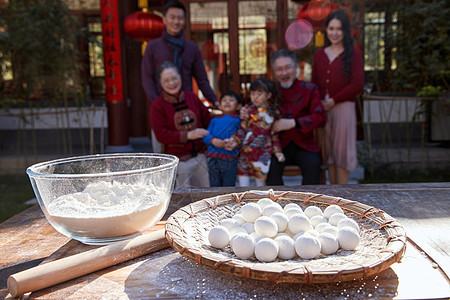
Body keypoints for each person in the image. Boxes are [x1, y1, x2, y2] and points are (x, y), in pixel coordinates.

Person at [141, 0, 217, 152]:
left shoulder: (192, 48)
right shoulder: (153, 47)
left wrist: (214, 100)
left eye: (180, 18)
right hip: (163, 111)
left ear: (184, 21)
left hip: (187, 107)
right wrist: (158, 103)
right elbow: (147, 78)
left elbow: (202, 79)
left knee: (193, 152)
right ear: (164, 19)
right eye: (172, 17)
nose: (176, 21)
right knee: (163, 158)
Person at [311, 10, 364, 184]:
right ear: (326, 30)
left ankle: (343, 192)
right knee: (329, 154)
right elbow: (314, 84)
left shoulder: (353, 53)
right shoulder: (319, 55)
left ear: (345, 31)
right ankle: (333, 193)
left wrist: (333, 100)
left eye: (339, 29)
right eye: (331, 28)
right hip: (323, 109)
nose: (334, 33)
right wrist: (318, 104)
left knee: (342, 153)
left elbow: (357, 84)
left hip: (343, 107)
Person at [266, 49, 327, 185]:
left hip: (305, 144)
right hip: (278, 146)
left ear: (296, 67)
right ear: (274, 71)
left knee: (313, 164)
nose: (284, 73)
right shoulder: (269, 91)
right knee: (270, 166)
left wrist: (293, 123)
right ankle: (276, 204)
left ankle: (311, 203)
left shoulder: (310, 89)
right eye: (279, 69)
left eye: (288, 68)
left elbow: (320, 117)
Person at [150, 61, 212, 188]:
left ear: (180, 78)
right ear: (160, 83)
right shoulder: (157, 105)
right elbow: (161, 134)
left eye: (174, 78)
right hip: (177, 161)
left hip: (200, 156)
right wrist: (188, 135)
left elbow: (208, 121)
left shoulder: (192, 98)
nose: (171, 83)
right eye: (166, 80)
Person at [226, 78, 285, 187]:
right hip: (246, 151)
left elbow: (274, 135)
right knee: (243, 182)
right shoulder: (247, 110)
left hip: (262, 152)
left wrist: (278, 151)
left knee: (260, 184)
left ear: (268, 95)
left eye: (259, 93)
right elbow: (242, 129)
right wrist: (234, 140)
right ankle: (243, 201)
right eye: (253, 93)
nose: (255, 97)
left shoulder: (272, 113)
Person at [203, 91, 242, 187]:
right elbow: (205, 136)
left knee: (228, 184)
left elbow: (242, 136)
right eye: (224, 100)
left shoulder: (239, 120)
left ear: (238, 106)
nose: (227, 102)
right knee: (214, 184)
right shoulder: (214, 120)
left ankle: (228, 201)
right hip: (212, 157)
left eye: (231, 100)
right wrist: (212, 140)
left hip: (230, 157)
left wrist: (235, 142)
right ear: (220, 106)